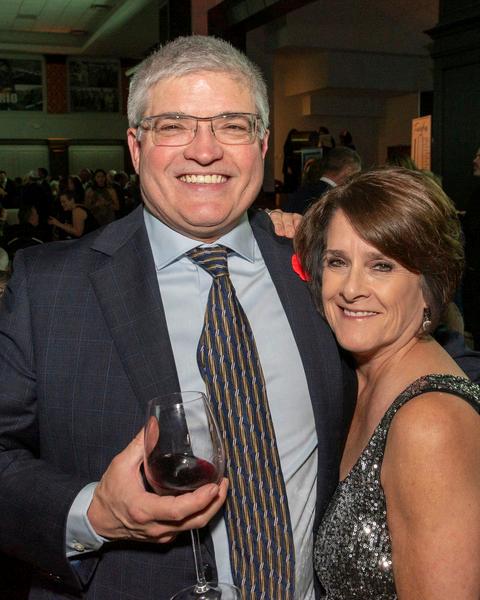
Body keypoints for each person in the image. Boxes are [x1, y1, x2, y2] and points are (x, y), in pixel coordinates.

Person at [0, 35, 358, 600]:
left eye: (232, 125)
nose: (205, 151)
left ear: (262, 144)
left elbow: (412, 356)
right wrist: (93, 513)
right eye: (173, 126)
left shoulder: (318, 267)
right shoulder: (48, 288)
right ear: (136, 147)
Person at [292, 167, 480, 599]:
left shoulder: (430, 423)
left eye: (381, 266)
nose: (351, 288)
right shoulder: (356, 377)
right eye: (338, 262)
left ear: (428, 285)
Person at [283, 146, 361, 214]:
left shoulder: (300, 192)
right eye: (356, 174)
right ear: (348, 170)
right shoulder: (335, 199)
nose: (355, 180)